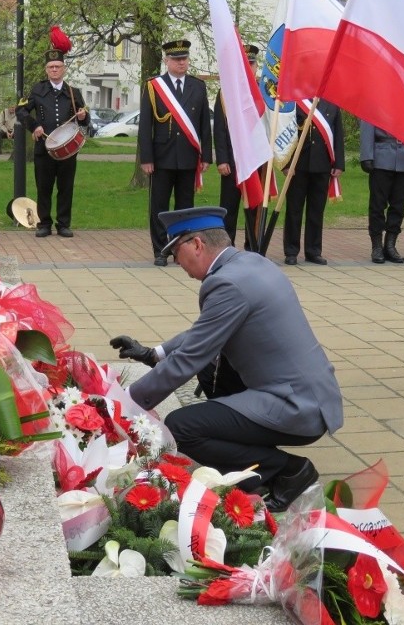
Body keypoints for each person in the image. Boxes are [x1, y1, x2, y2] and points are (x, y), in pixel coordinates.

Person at [110, 207, 342, 512]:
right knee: (210, 366)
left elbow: (189, 359)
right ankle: (248, 454)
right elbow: (206, 331)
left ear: (196, 244)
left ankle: (287, 470)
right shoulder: (249, 262)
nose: (175, 262)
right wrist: (155, 354)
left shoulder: (226, 284)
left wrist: (124, 404)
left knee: (181, 427)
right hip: (310, 393)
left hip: (297, 406)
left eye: (176, 251)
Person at [138, 40, 213, 266]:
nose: (181, 63)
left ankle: (181, 250)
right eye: (176, 59)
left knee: (185, 208)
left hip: (189, 156)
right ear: (166, 61)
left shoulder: (197, 86)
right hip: (162, 157)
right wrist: (147, 158)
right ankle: (160, 250)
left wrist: (206, 156)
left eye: (184, 59)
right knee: (159, 207)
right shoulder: (154, 87)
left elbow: (203, 125)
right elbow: (145, 125)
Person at [16, 28, 89, 238]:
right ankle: (44, 224)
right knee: (44, 188)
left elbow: (84, 118)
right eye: (51, 67)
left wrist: (83, 117)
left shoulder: (73, 92)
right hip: (44, 149)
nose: (54, 70)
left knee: (66, 188)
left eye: (58, 67)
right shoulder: (37, 90)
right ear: (46, 70)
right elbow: (21, 111)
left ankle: (63, 224)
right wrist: (34, 126)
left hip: (68, 151)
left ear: (64, 69)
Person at [282, 100, 344, 265]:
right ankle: (291, 250)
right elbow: (286, 133)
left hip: (322, 164)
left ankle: (313, 251)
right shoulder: (295, 102)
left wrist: (338, 163)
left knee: (316, 211)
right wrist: (286, 164)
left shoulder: (331, 103)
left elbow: (337, 133)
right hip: (298, 164)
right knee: (294, 210)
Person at [214, 44, 262, 249]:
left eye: (251, 64)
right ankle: (227, 246)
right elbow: (220, 129)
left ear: (256, 66)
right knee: (229, 206)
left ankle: (253, 246)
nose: (247, 68)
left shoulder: (264, 93)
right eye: (243, 64)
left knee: (254, 205)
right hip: (232, 161)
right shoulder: (226, 93)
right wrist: (222, 159)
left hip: (256, 158)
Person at [359, 121, 404, 263]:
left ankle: (390, 245)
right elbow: (367, 123)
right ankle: (376, 246)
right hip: (381, 158)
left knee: (398, 206)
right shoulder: (377, 100)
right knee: (377, 205)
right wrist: (367, 156)